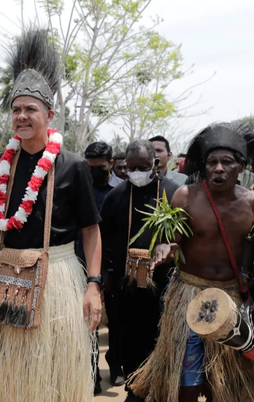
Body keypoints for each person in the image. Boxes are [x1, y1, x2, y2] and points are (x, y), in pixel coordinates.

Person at [0, 28, 102, 402]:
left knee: (54, 372)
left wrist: (93, 285)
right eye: (16, 109)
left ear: (50, 114)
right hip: (6, 275)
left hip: (58, 277)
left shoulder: (72, 166)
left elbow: (91, 230)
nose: (22, 116)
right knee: (6, 372)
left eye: (30, 109)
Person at [130, 124, 254, 402]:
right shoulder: (186, 197)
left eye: (227, 162)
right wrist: (164, 249)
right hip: (190, 297)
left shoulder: (251, 203)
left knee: (225, 383)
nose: (219, 168)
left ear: (241, 166)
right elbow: (172, 243)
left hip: (233, 299)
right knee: (186, 380)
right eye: (212, 162)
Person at [100, 139, 178, 402]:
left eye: (143, 167)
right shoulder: (116, 196)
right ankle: (134, 389)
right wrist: (105, 277)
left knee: (158, 342)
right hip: (126, 288)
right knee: (128, 341)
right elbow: (104, 239)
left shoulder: (173, 193)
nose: (137, 173)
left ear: (154, 163)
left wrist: (170, 249)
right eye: (132, 168)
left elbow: (184, 239)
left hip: (163, 287)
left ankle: (156, 392)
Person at [80, 141, 124, 394]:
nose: (94, 171)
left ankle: (115, 366)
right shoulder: (79, 186)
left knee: (116, 323)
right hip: (84, 266)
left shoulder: (120, 190)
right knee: (89, 322)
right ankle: (92, 373)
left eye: (99, 167)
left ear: (111, 165)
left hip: (114, 267)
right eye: (89, 167)